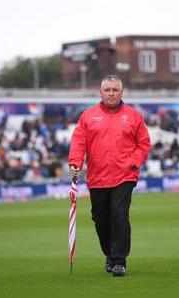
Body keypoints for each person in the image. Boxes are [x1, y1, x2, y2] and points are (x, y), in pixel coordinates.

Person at [68, 75, 151, 277]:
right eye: (108, 90)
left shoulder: (133, 116)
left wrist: (134, 162)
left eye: (115, 90)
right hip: (97, 177)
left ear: (122, 93)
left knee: (119, 215)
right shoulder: (88, 116)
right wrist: (75, 162)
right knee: (100, 218)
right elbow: (79, 142)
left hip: (125, 176)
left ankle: (119, 260)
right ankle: (110, 254)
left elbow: (144, 144)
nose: (111, 93)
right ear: (101, 92)